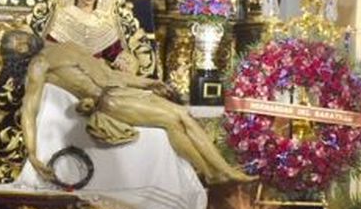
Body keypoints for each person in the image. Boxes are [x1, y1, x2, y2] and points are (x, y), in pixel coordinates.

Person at [19, 30, 251, 187]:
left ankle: (212, 173)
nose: (22, 41)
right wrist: (32, 152)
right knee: (178, 116)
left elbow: (109, 73)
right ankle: (223, 171)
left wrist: (146, 82)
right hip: (110, 100)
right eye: (18, 42)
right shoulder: (40, 65)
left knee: (178, 120)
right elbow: (29, 111)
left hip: (121, 90)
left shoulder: (68, 46)